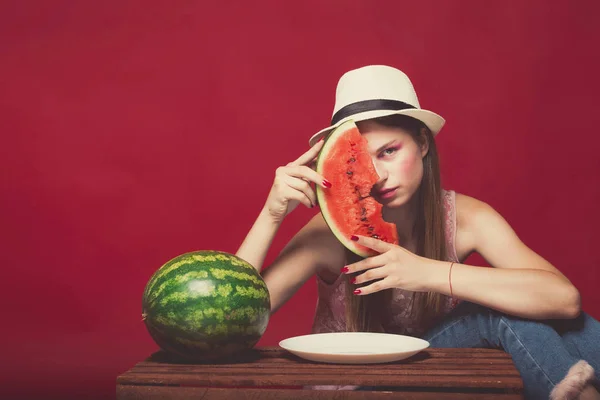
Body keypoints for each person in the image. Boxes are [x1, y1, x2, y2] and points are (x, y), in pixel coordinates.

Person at [235, 65, 600, 400]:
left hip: (427, 381)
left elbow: (564, 301)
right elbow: (230, 324)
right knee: (494, 312)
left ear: (423, 144)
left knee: (570, 325)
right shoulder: (326, 235)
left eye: (389, 151)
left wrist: (429, 272)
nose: (377, 176)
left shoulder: (468, 218)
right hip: (350, 389)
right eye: (359, 161)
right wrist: (271, 214)